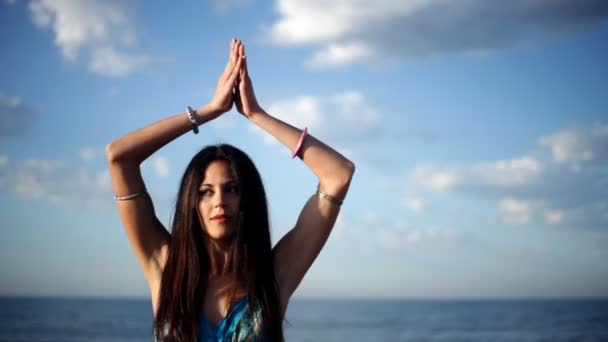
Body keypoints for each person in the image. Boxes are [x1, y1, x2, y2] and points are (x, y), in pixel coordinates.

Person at [106, 38, 355, 341]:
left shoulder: (273, 276)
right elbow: (120, 157)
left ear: (247, 199)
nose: (219, 201)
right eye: (205, 192)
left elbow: (338, 174)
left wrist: (256, 114)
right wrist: (207, 111)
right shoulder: (164, 265)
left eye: (232, 189)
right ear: (191, 202)